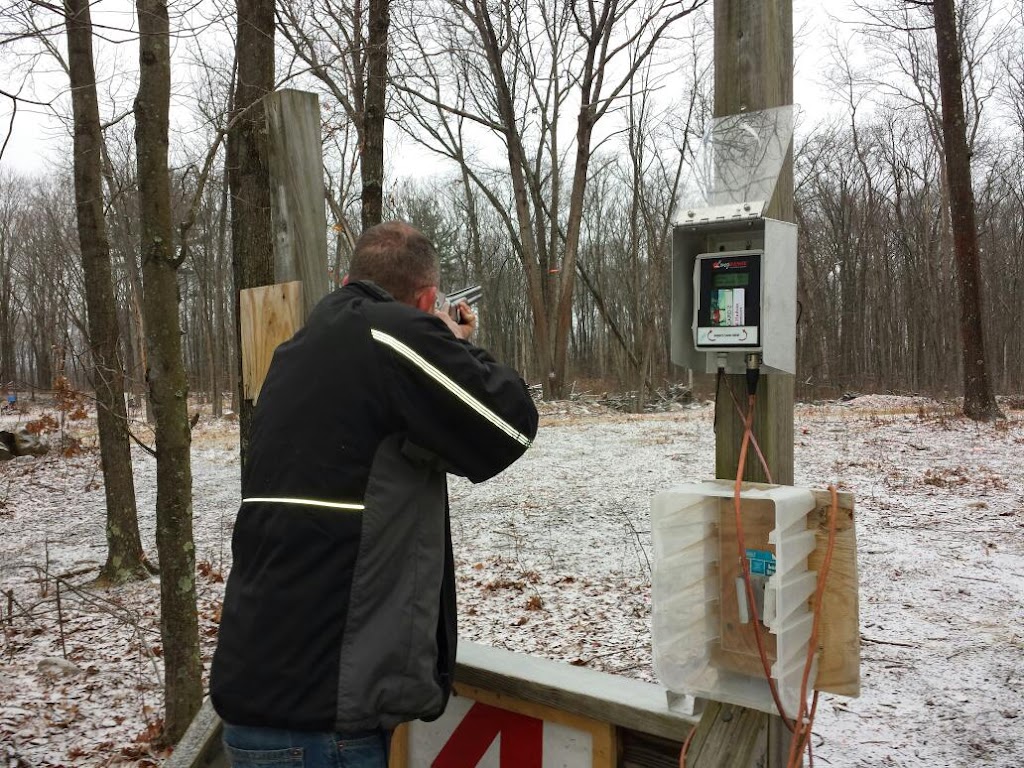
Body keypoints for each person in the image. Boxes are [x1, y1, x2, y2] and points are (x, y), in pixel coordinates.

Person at [210, 221, 539, 768]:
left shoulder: (297, 350)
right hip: (325, 719)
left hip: (255, 698)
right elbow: (510, 424)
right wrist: (458, 344)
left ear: (347, 279)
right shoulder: (393, 333)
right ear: (427, 298)